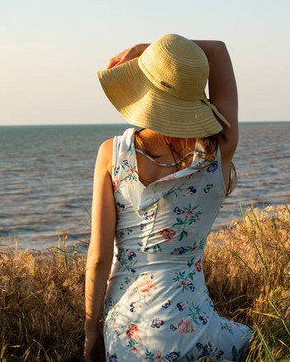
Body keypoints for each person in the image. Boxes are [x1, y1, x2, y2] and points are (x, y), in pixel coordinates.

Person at [84, 34, 253, 361]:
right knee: (257, 342)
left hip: (128, 336)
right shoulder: (220, 149)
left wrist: (92, 333)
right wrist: (155, 51)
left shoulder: (112, 154)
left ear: (145, 92)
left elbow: (98, 259)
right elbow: (217, 50)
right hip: (197, 334)